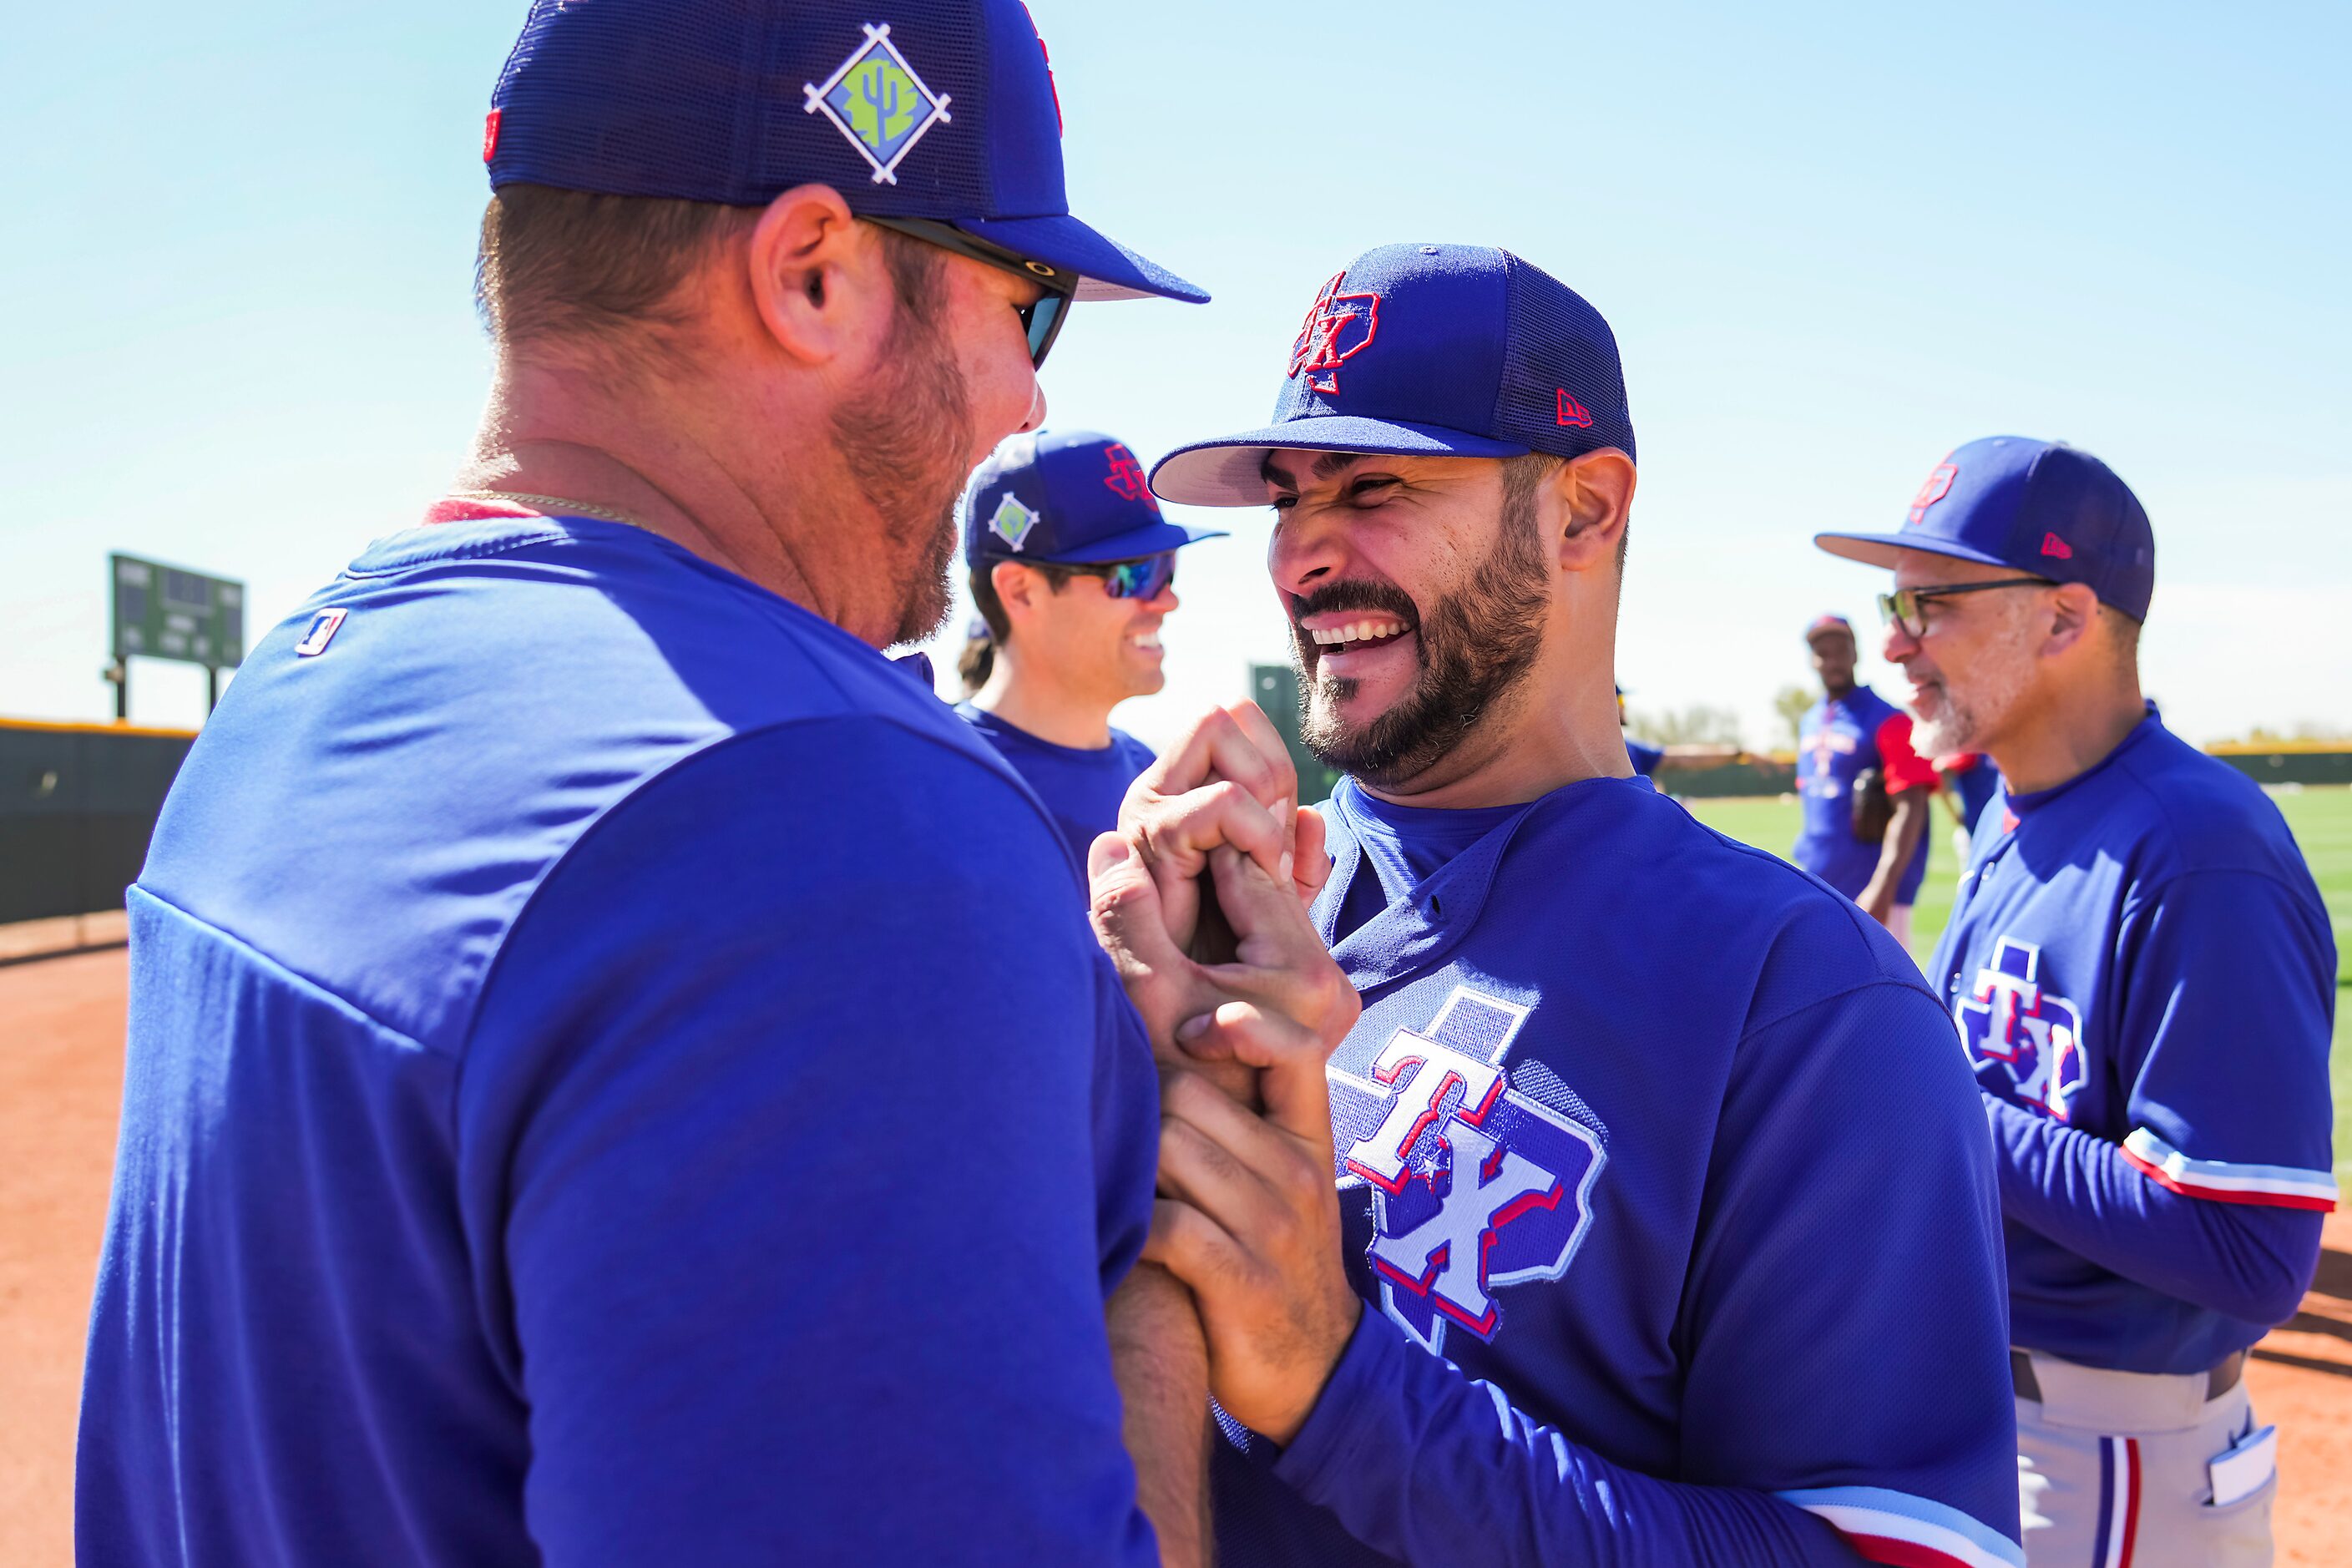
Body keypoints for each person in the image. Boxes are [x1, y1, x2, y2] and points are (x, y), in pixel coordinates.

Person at [75, 3, 1229, 1562]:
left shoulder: (301, 675)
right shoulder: (832, 834)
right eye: (1025, 310)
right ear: (814, 273)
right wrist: (1164, 1221)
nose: (1028, 402)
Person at [1132, 243, 2022, 1568]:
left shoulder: (1801, 1002)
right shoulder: (1230, 901)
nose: (1301, 554)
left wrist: (1337, 1386)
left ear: (1585, 513)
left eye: (1372, 484)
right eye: (1288, 496)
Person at [1818, 437, 2339, 1568]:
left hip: (2110, 1459)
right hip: (1989, 1411)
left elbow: (2250, 1245)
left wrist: (1934, 1100)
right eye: (1894, 604)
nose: (1896, 641)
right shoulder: (2017, 811)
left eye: (1933, 602)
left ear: (2061, 619)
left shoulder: (2202, 850)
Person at [955, 428, 1224, 858]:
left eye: (1166, 567)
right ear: (1021, 591)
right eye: (1134, 573)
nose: (1169, 599)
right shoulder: (934, 775)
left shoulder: (1151, 774)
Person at [1793, 613, 1937, 942]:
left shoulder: (1889, 720)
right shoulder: (1810, 721)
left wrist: (1883, 888)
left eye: (1841, 650)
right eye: (1823, 653)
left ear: (1856, 653)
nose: (1833, 661)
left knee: (1882, 992)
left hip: (1871, 892)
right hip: (1815, 884)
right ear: (1812, 660)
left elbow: (1911, 808)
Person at [1935, 751, 2005, 867]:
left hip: (1998, 823)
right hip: (1976, 826)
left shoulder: (1991, 751)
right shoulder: (1971, 753)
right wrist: (1953, 813)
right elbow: (1941, 769)